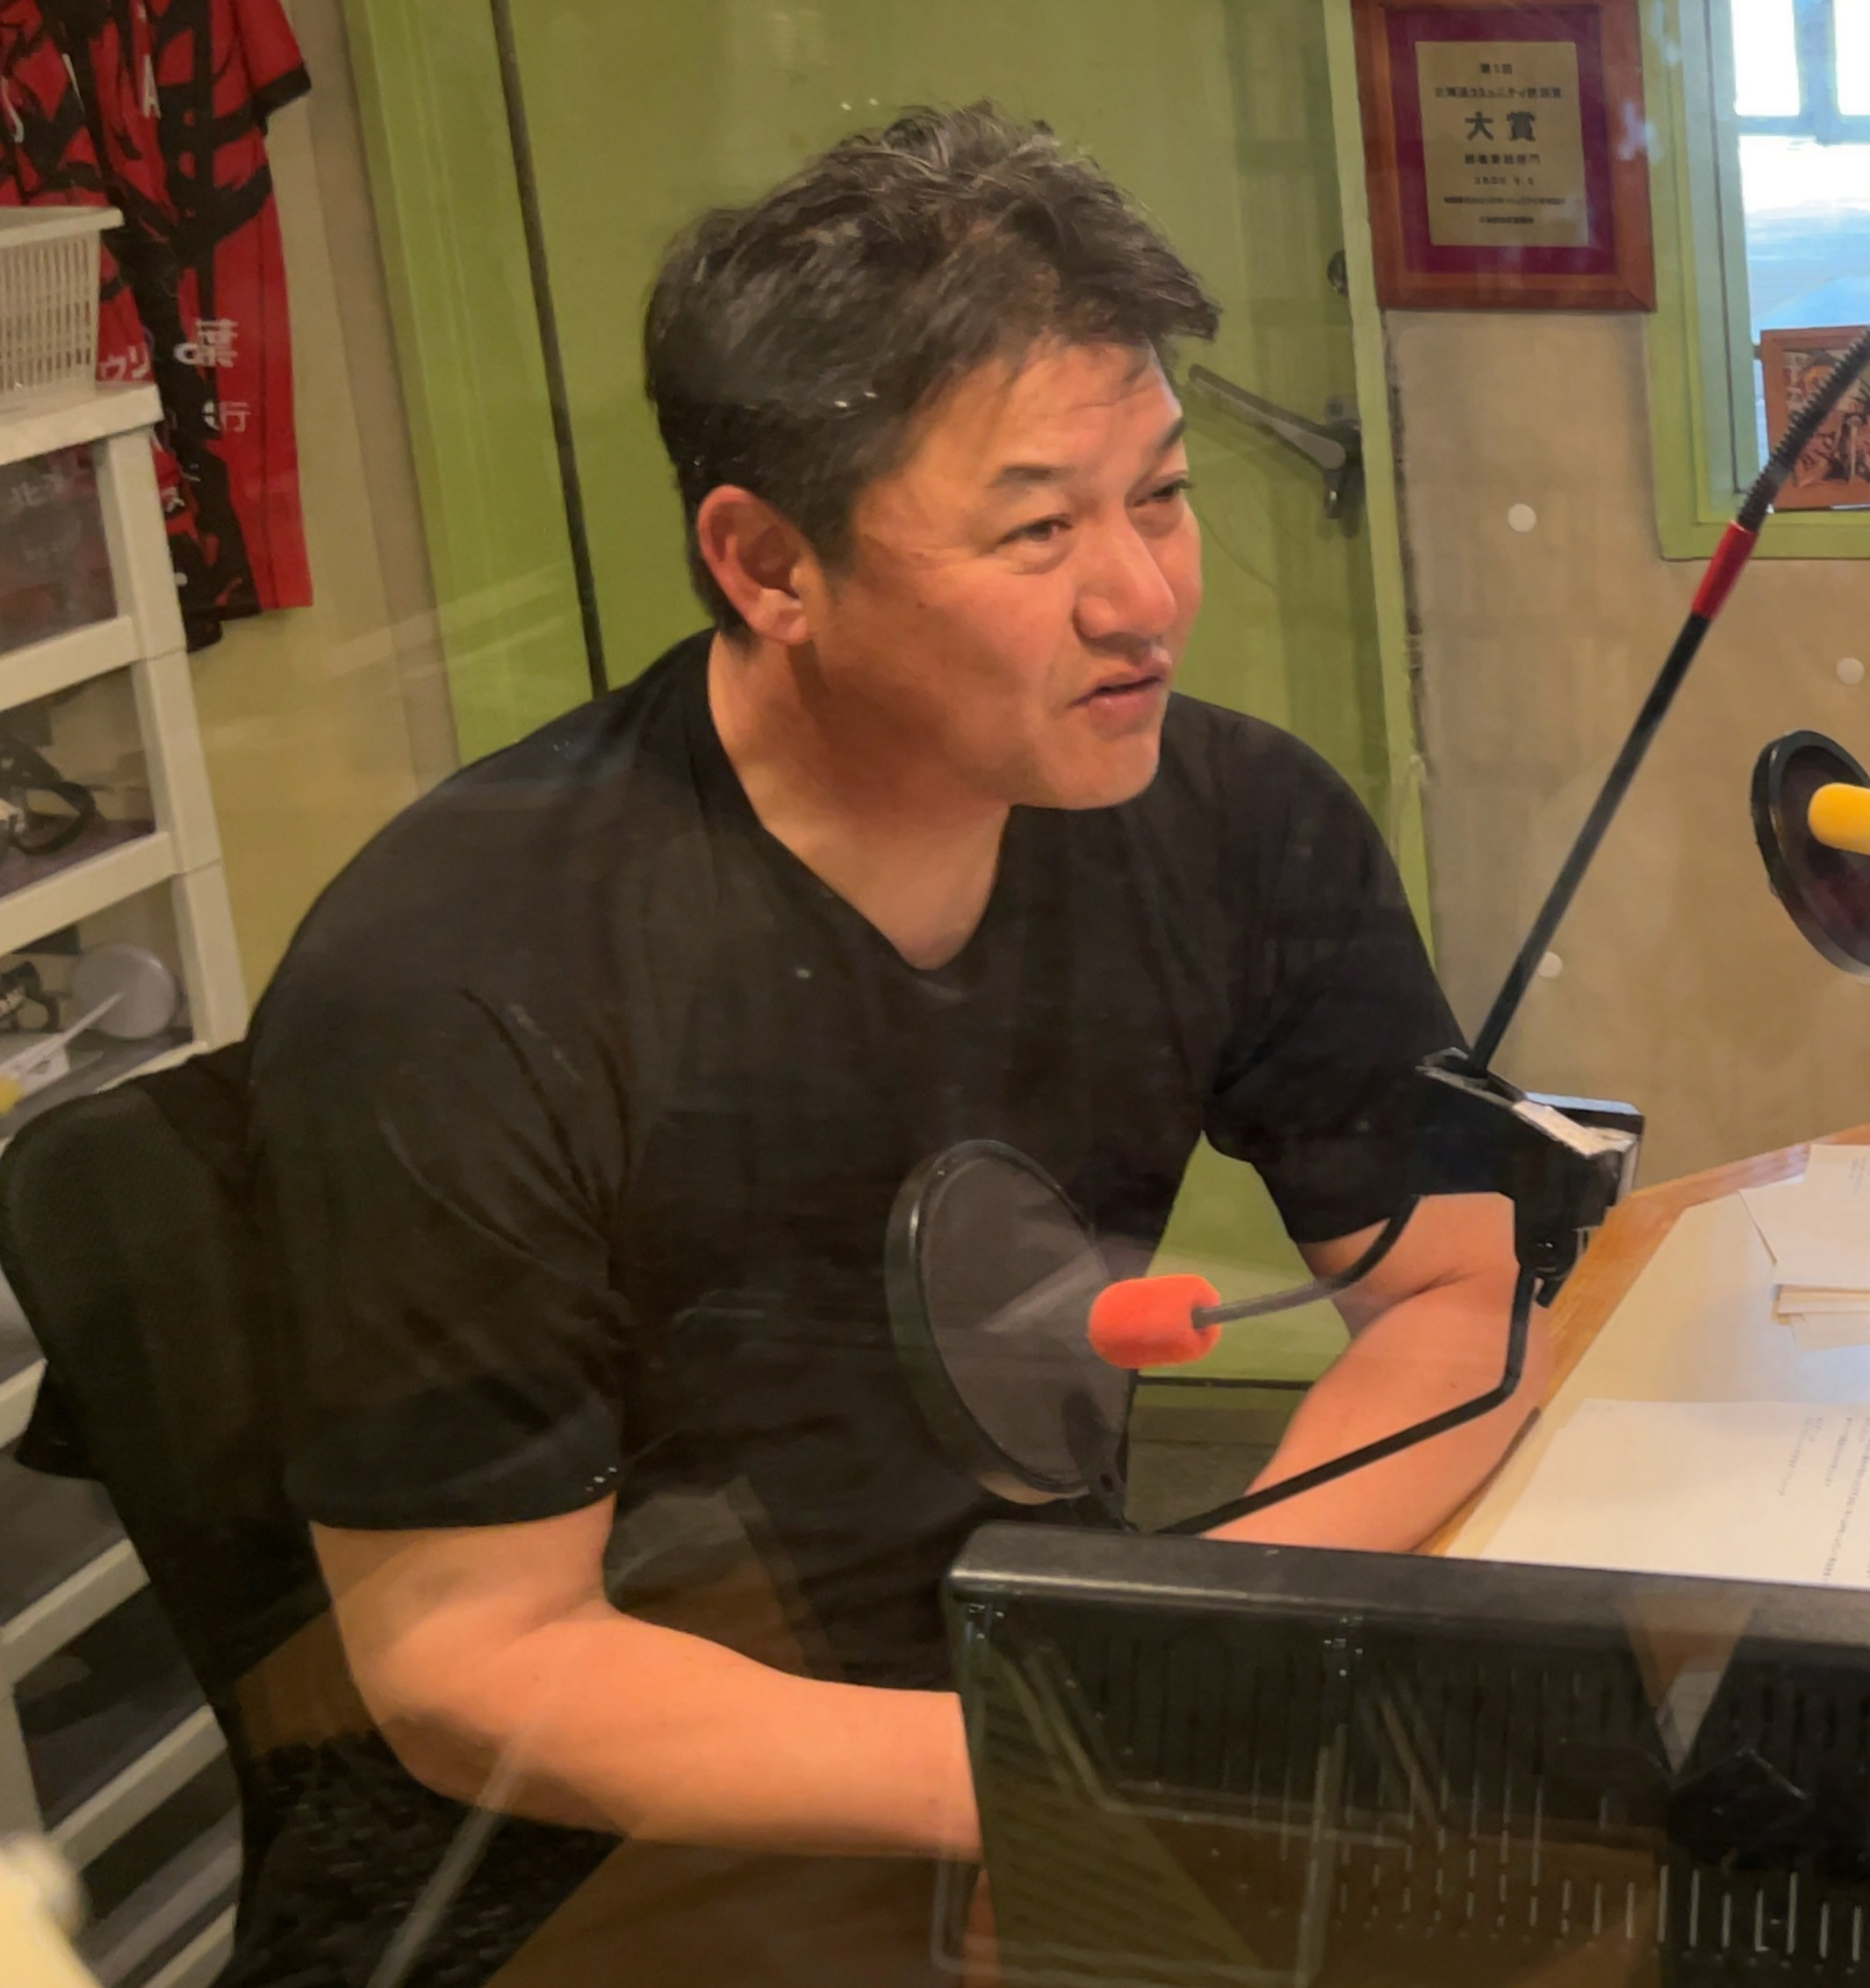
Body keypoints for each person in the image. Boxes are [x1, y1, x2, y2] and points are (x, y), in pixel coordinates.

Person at [239, 105, 1539, 1983]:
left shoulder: (1236, 824)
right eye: (1038, 529)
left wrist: (1208, 1650)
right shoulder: (462, 974)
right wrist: (1044, 1777)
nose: (1146, 597)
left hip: (1019, 1741)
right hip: (586, 1876)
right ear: (770, 565)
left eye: (1163, 495)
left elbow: (1456, 1290)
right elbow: (470, 1662)